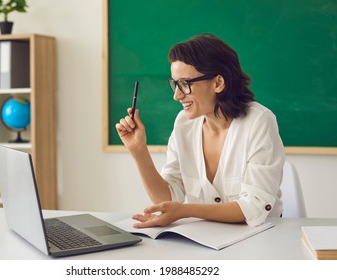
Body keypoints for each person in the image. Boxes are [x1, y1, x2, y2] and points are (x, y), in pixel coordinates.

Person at [115, 33, 285, 228]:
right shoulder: (183, 124)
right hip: (206, 240)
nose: (177, 95)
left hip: (260, 240)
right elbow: (167, 197)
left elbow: (253, 207)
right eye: (174, 84)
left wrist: (185, 211)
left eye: (185, 84)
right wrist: (139, 151)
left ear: (218, 83)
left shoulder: (259, 121)